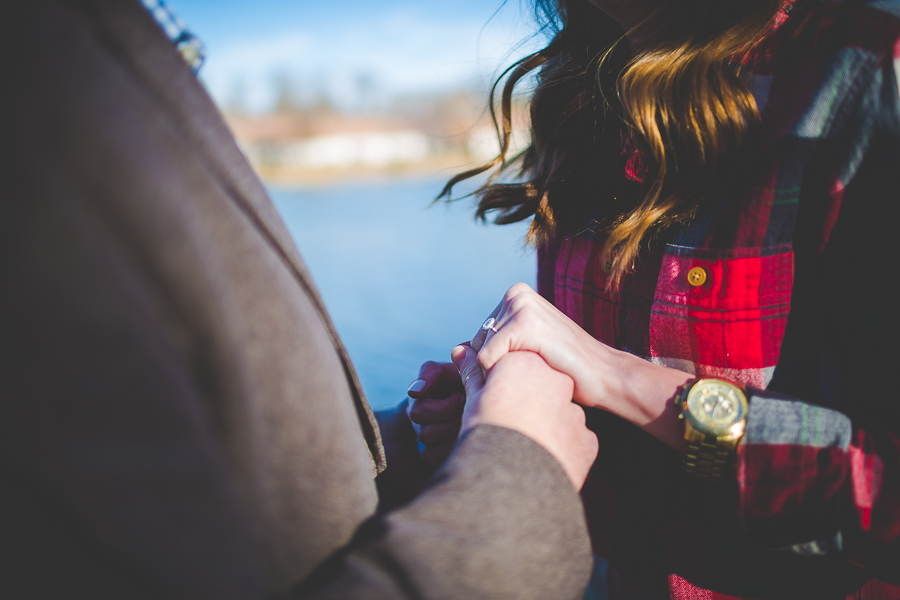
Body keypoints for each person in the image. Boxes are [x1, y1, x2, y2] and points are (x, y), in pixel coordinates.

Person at [0, 0, 601, 598]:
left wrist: (423, 446)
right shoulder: (34, 76)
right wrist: (521, 462)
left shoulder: (75, 50)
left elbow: (195, 483)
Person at [413, 0, 900, 597]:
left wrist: (617, 376)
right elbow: (597, 389)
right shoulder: (579, 89)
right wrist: (497, 409)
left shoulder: (864, 71)